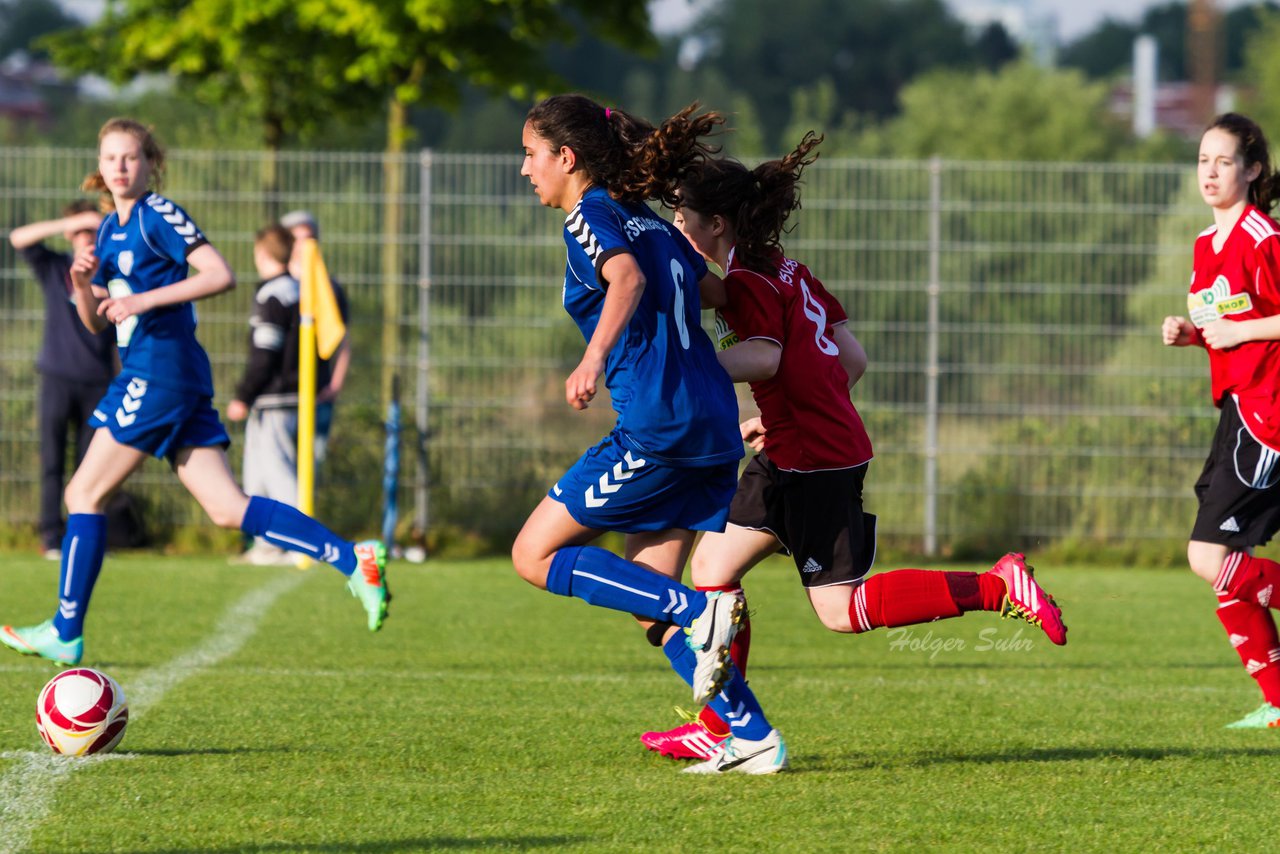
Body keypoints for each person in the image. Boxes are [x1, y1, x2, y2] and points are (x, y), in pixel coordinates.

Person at [641, 132, 1068, 766]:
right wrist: (781, 410)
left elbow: (767, 354)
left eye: (682, 219)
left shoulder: (753, 279)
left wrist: (690, 364)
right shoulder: (787, 269)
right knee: (710, 575)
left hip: (811, 461)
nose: (677, 229)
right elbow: (851, 357)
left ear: (718, 224)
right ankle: (720, 723)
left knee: (841, 610)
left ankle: (996, 587)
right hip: (805, 448)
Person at [0, 118, 388, 667]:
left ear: (149, 162)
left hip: (160, 375)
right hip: (157, 375)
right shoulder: (109, 230)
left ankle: (66, 629)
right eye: (110, 158)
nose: (119, 167)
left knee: (82, 496)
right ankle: (354, 559)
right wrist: (83, 286)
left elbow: (218, 273)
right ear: (100, 165)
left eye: (130, 157)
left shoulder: (159, 214)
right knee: (227, 509)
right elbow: (94, 325)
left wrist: (144, 302)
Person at [510, 94, 788, 773]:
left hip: (658, 429)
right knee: (648, 602)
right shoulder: (655, 226)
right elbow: (721, 294)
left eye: (530, 155)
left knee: (532, 555)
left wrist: (593, 358)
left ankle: (700, 611)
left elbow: (625, 278)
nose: (525, 171)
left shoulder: (592, 215)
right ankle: (752, 737)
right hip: (712, 425)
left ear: (566, 158)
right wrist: (787, 306)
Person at [1162, 112, 1280, 730]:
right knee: (1223, 562)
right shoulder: (1207, 246)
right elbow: (1226, 329)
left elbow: (1255, 325)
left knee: (1209, 556)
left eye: (1224, 161)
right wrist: (1193, 336)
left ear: (1252, 170)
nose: (1210, 171)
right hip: (1238, 407)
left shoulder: (1264, 237)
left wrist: (1236, 330)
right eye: (1203, 160)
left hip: (1270, 412)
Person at [8, 201, 117, 559]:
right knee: (52, 462)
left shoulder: (112, 272)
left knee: (91, 468)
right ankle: (51, 538)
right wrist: (70, 222)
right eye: (78, 231)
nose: (84, 237)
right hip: (57, 377)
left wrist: (98, 225)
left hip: (98, 381)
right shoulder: (55, 268)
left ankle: (83, 537)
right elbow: (19, 238)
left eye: (91, 231)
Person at [225, 224, 306, 566]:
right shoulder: (299, 290)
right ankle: (267, 544)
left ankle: (301, 543)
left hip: (275, 398)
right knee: (256, 473)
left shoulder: (273, 294)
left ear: (262, 254)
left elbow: (265, 354)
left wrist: (244, 394)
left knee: (278, 473)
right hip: (287, 397)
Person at [280, 209, 350, 465]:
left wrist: (334, 387)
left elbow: (342, 341)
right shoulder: (276, 285)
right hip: (280, 398)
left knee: (310, 471)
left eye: (309, 238)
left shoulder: (329, 289)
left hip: (317, 396)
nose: (303, 245)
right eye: (296, 238)